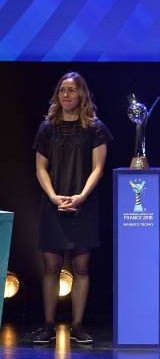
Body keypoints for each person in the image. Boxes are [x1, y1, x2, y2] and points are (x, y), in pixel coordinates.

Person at [31, 72, 112, 344]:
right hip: (53, 203)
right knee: (51, 264)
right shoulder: (47, 127)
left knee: (81, 266)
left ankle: (77, 325)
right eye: (62, 90)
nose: (66, 95)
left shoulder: (95, 127)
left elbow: (98, 168)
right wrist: (54, 196)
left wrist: (81, 197)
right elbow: (40, 168)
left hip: (83, 203)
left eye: (72, 90)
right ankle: (48, 325)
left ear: (82, 95)